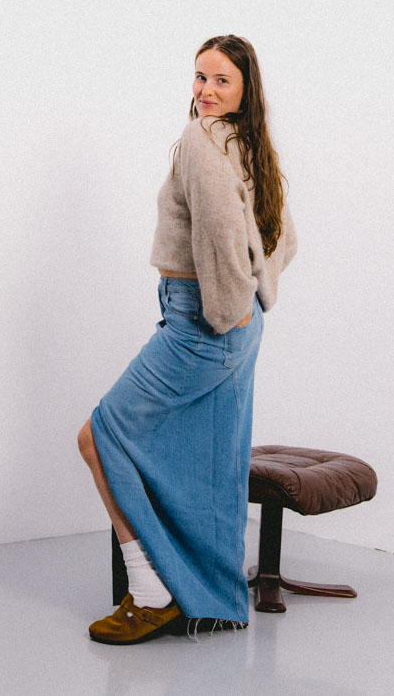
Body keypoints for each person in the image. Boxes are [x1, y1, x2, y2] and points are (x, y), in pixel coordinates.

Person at [76, 34, 297, 644]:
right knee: (213, 461)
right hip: (236, 324)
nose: (205, 90)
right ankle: (214, 597)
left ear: (246, 90)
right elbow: (281, 235)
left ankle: (151, 593)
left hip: (205, 322)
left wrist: (227, 309)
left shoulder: (202, 140)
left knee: (98, 435)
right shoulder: (249, 145)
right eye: (200, 77)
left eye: (221, 80)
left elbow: (224, 233)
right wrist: (255, 297)